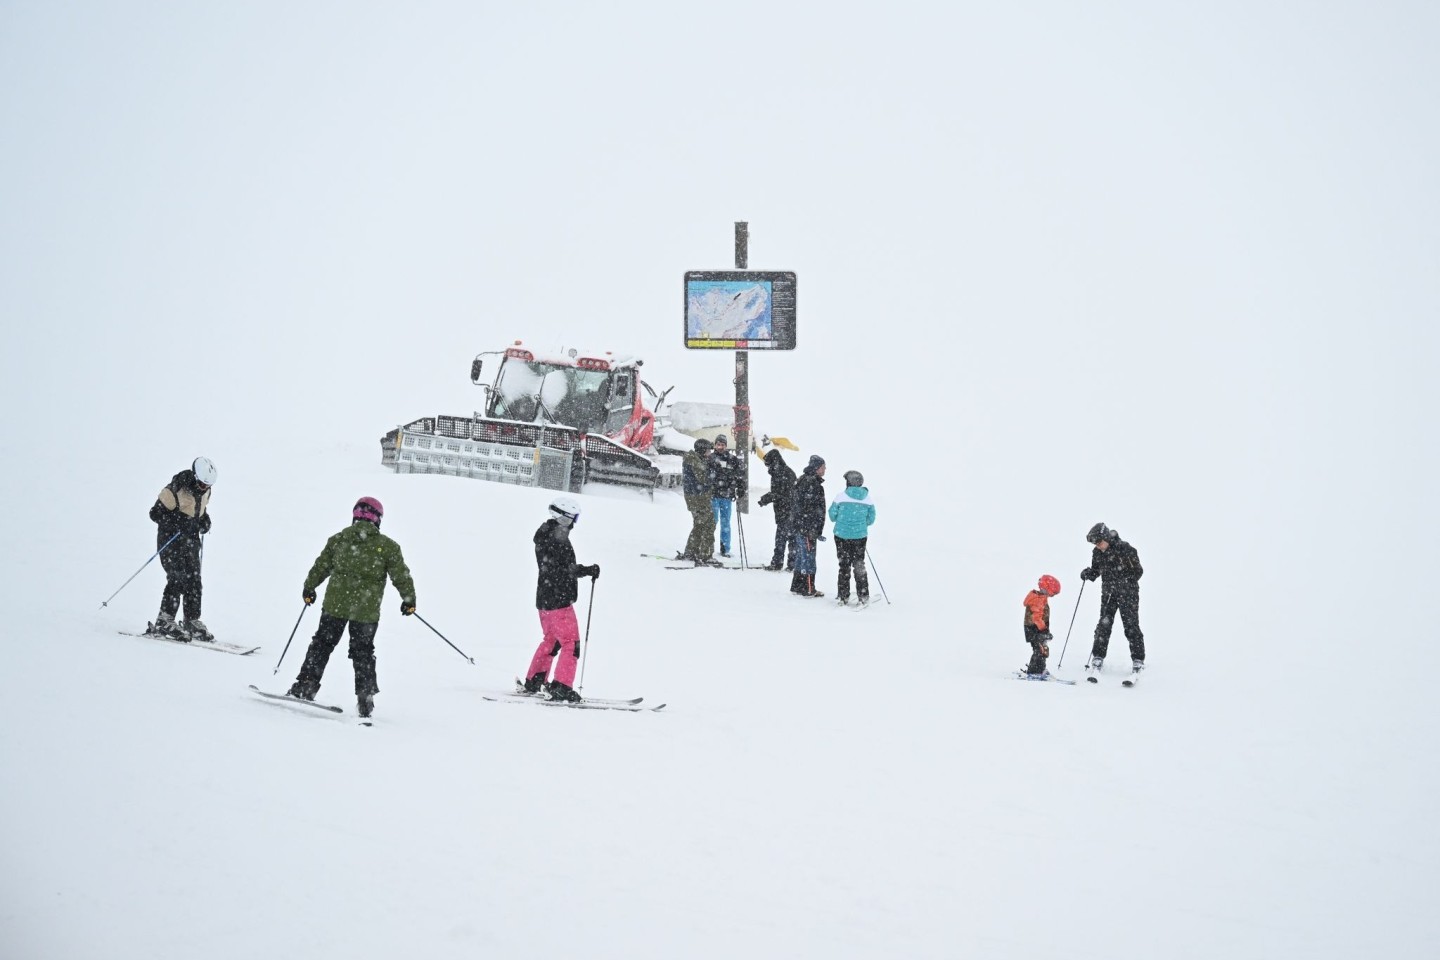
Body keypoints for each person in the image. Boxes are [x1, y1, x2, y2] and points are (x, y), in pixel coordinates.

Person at [288, 497, 416, 718]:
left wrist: (310, 587)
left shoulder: (339, 539)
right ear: (378, 520)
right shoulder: (388, 547)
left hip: (335, 606)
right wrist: (409, 600)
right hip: (365, 612)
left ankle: (306, 685)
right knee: (363, 652)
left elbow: (321, 566)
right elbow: (401, 576)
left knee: (322, 645)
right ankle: (365, 699)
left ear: (355, 516)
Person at [522, 496, 600, 702]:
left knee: (552, 641)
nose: (573, 523)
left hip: (545, 599)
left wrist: (580, 570)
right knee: (570, 643)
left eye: (575, 519)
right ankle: (562, 687)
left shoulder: (546, 533)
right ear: (561, 517)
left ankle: (535, 680)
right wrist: (586, 570)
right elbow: (564, 569)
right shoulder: (556, 536)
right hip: (558, 600)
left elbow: (558, 568)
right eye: (570, 519)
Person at [148, 456, 218, 641]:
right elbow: (155, 513)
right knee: (177, 578)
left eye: (207, 485)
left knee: (194, 579)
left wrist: (204, 521)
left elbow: (199, 512)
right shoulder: (175, 490)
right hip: (171, 540)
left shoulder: (206, 492)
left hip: (191, 541)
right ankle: (164, 620)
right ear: (194, 477)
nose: (204, 488)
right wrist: (179, 523)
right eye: (202, 484)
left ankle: (191, 620)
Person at [1080, 522, 1145, 679]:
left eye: (1099, 542)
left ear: (1107, 537)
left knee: (1130, 625)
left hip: (1128, 594)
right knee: (1104, 625)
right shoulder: (1097, 553)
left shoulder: (1126, 549)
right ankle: (1098, 657)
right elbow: (1096, 571)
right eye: (1095, 543)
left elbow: (1138, 572)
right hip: (1109, 594)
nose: (1098, 546)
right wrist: (1089, 573)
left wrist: (1123, 582)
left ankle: (1138, 659)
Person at [827, 470, 876, 606]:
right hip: (860, 537)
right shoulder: (867, 499)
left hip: (841, 536)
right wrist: (860, 525)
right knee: (859, 565)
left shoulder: (840, 497)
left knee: (844, 565)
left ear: (848, 482)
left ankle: (843, 596)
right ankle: (863, 596)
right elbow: (871, 519)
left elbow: (832, 516)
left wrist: (843, 522)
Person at [790, 455, 828, 597]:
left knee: (801, 556)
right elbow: (808, 509)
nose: (825, 470)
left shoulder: (803, 480)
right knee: (808, 558)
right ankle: (808, 588)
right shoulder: (812, 484)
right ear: (817, 468)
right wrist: (812, 528)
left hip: (801, 527)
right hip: (807, 528)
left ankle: (797, 586)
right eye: (823, 467)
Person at [679, 439, 720, 566]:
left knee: (699, 524)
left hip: (697, 496)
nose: (709, 453)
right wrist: (712, 470)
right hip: (698, 498)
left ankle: (692, 551)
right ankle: (705, 555)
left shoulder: (695, 458)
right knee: (708, 524)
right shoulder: (694, 460)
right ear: (702, 450)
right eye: (708, 451)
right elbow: (703, 478)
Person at [757, 447, 797, 571]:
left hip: (787, 511)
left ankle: (779, 563)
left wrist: (768, 498)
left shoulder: (784, 473)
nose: (767, 468)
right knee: (789, 538)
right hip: (785, 510)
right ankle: (791, 564)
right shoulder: (781, 472)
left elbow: (785, 495)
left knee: (783, 538)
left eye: (768, 465)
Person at [707, 433, 743, 558]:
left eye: (722, 445)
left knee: (726, 523)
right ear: (715, 445)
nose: (720, 447)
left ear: (726, 446)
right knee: (713, 521)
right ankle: (707, 547)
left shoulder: (733, 460)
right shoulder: (710, 458)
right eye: (718, 444)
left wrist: (740, 488)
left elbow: (740, 475)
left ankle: (725, 548)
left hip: (727, 496)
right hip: (713, 495)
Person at [1023, 575, 1062, 676]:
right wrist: (1043, 630)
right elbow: (1036, 618)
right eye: (1053, 593)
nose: (1052, 596)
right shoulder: (1038, 599)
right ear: (1046, 589)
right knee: (1039, 649)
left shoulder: (1041, 597)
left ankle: (1040, 669)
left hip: (1036, 628)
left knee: (1042, 649)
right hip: (1034, 629)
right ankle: (1034, 671)